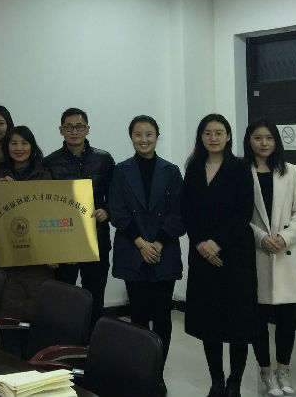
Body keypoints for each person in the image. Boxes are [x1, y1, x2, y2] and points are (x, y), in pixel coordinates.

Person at [109, 115, 184, 397]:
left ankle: (158, 374)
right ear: (131, 137)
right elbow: (117, 211)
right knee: (138, 316)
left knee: (163, 316)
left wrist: (159, 243)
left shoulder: (171, 171)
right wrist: (142, 243)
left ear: (157, 136)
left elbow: (179, 212)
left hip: (164, 251)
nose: (144, 140)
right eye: (138, 135)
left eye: (149, 134)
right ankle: (139, 373)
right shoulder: (121, 170)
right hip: (133, 249)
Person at [182, 114, 256, 397]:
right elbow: (187, 211)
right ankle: (216, 380)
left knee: (238, 322)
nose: (213, 138)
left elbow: (243, 212)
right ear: (200, 137)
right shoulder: (193, 168)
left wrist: (217, 243)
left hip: (234, 255)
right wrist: (202, 244)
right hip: (202, 256)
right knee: (208, 321)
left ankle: (234, 382)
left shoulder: (240, 168)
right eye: (207, 133)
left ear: (228, 136)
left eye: (219, 132)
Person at [243, 119, 296, 397]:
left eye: (269, 138)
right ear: (249, 140)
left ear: (276, 141)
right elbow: (238, 214)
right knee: (258, 318)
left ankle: (283, 370)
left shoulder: (290, 170)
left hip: (285, 252)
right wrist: (260, 236)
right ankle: (266, 373)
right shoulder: (241, 171)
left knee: (286, 318)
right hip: (257, 251)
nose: (264, 143)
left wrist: (285, 237)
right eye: (258, 138)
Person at [43, 107, 115, 327]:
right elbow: (44, 204)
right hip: (63, 241)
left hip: (96, 239)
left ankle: (94, 343)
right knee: (63, 298)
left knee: (95, 297)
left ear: (87, 129)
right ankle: (65, 343)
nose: (74, 131)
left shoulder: (104, 159)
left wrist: (107, 210)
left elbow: (116, 196)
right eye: (69, 127)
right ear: (61, 130)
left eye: (79, 127)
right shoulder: (50, 162)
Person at [0, 125, 54, 321]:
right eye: (14, 143)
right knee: (9, 312)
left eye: (24, 143)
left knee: (39, 311)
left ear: (32, 146)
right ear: (7, 147)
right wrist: (0, 192)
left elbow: (51, 212)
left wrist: (55, 251)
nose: (19, 148)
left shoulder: (44, 174)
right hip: (8, 253)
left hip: (38, 255)